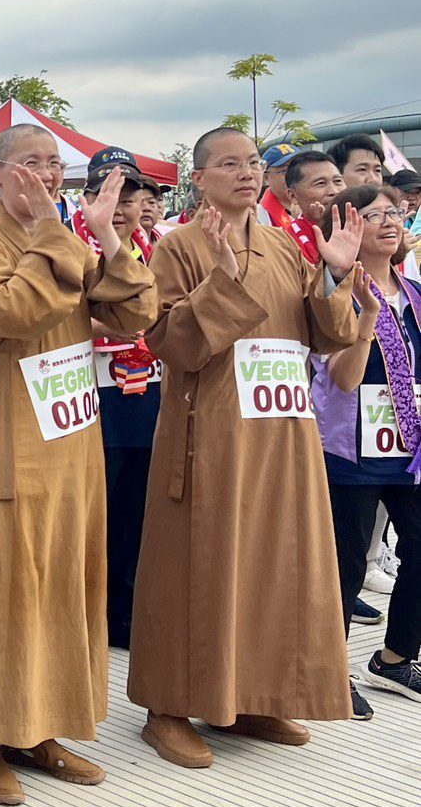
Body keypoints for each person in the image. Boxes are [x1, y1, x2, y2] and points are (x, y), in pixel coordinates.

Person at [0, 128, 157, 806]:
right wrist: (54, 237)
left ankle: (39, 727)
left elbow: (136, 314)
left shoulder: (74, 244)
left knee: (61, 583)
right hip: (8, 447)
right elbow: (11, 313)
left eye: (54, 164)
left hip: (70, 443)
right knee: (1, 589)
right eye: (30, 164)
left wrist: (107, 236)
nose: (46, 176)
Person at [128, 126, 362, 770]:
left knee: (273, 559)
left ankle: (252, 694)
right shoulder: (179, 246)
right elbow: (169, 342)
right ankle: (168, 706)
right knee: (199, 563)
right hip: (215, 430)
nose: (246, 173)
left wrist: (334, 273)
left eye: (254, 162)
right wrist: (221, 281)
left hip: (282, 428)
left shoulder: (286, 244)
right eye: (229, 164)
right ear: (199, 179)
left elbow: (328, 335)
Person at [311, 184, 421, 719]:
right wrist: (368, 321)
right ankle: (330, 669)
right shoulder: (334, 294)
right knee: (346, 562)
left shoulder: (414, 294)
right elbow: (344, 380)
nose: (390, 221)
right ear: (346, 227)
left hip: (408, 447)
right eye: (374, 214)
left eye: (395, 212)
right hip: (350, 449)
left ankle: (395, 657)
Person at [74, 149, 164, 650]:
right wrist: (108, 325)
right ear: (89, 198)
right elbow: (55, 317)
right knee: (96, 508)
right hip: (93, 389)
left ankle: (122, 610)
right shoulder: (72, 247)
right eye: (110, 196)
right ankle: (85, 608)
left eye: (132, 198)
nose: (123, 208)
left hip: (146, 388)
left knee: (135, 506)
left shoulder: (155, 245)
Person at [282, 150, 346, 264]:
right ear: (293, 196)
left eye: (338, 181)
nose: (334, 191)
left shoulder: (363, 225)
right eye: (321, 183)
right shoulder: (287, 243)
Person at [256, 143, 301, 228]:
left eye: (298, 167)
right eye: (284, 171)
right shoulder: (258, 217)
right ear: (266, 178)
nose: (294, 174)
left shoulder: (316, 205)